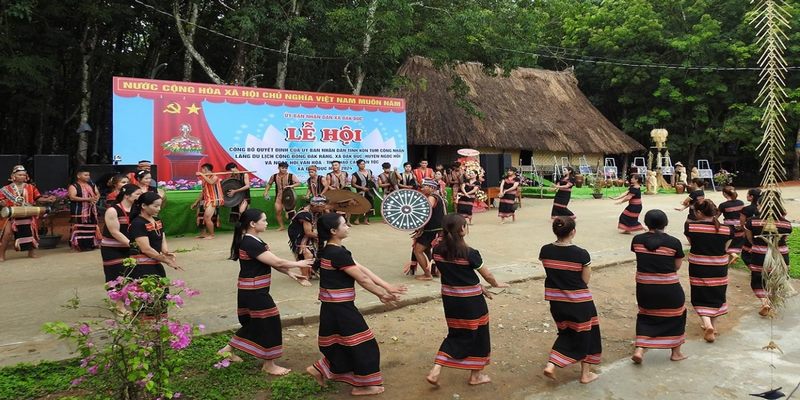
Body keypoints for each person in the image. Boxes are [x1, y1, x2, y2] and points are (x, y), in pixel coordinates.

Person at [305, 213, 406, 396]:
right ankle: (365, 386)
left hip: (332, 308)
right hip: (341, 309)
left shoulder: (332, 250)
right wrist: (382, 295)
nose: (348, 227)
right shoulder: (338, 253)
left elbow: (362, 270)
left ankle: (320, 368)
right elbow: (363, 279)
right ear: (334, 231)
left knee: (343, 344)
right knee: (365, 345)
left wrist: (387, 286)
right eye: (344, 224)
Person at [216, 208, 312, 375]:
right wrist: (300, 264)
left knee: (254, 323)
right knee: (270, 323)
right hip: (254, 291)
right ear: (253, 224)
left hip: (251, 290)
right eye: (264, 220)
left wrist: (291, 273)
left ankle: (226, 350)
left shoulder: (252, 240)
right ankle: (269, 364)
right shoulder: (250, 242)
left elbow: (270, 262)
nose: (267, 223)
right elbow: (277, 261)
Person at [425, 214, 508, 387]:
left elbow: (455, 274)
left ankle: (436, 370)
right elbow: (487, 274)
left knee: (455, 333)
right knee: (479, 335)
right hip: (472, 302)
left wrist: (478, 286)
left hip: (450, 300)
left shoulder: (437, 250)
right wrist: (495, 283)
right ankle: (475, 375)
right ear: (462, 229)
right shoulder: (470, 253)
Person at [540, 217, 601, 384]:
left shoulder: (545, 250)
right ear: (573, 232)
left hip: (557, 303)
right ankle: (585, 374)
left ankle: (552, 365)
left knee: (566, 332)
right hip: (580, 303)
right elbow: (585, 280)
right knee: (588, 334)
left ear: (555, 231)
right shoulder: (581, 254)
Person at [630, 210, 688, 364]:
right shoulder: (674, 242)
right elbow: (676, 266)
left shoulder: (637, 240)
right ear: (665, 223)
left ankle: (640, 349)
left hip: (644, 288)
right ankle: (676, 353)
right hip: (669, 288)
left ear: (646, 223)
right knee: (677, 314)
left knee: (645, 315)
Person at [684, 199, 733, 343]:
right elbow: (725, 249)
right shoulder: (727, 229)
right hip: (719, 267)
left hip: (699, 265)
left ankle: (707, 324)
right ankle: (714, 326)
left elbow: (692, 243)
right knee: (717, 293)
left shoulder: (690, 226)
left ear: (699, 212)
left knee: (700, 293)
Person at [744, 194, 792, 317]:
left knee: (757, 282)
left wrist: (759, 244)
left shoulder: (752, 222)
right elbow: (783, 239)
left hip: (760, 255)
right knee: (777, 280)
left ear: (761, 206)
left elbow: (750, 239)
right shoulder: (786, 224)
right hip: (780, 257)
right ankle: (770, 301)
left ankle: (765, 301)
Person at [0, 165, 55, 261]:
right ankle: (1, 255)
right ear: (13, 176)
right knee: (7, 234)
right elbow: (1, 200)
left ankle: (31, 252)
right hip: (11, 214)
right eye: (20, 175)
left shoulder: (31, 187)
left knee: (32, 232)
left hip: (27, 212)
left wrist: (47, 199)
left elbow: (38, 198)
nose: (22, 177)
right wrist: (2, 203)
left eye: (24, 175)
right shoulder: (5, 189)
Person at [129, 192, 182, 280]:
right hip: (142, 265)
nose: (159, 209)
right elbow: (146, 249)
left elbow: (162, 238)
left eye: (160, 206)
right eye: (155, 206)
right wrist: (166, 260)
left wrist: (165, 252)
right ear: (144, 206)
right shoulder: (138, 223)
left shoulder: (157, 220)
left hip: (155, 261)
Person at [101, 184, 142, 286]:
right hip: (113, 248)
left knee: (134, 275)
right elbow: (114, 232)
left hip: (131, 247)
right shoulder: (113, 210)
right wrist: (132, 244)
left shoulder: (138, 210)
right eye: (137, 194)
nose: (140, 197)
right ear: (126, 196)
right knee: (116, 277)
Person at [406, 179, 447, 280]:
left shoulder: (432, 197)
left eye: (424, 186)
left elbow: (424, 211)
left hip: (432, 230)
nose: (422, 188)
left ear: (431, 188)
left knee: (418, 250)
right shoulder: (438, 197)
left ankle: (427, 274)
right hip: (435, 229)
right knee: (428, 250)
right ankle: (435, 271)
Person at [288, 196, 329, 279]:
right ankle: (304, 276)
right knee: (308, 254)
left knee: (317, 251)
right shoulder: (305, 214)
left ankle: (311, 270)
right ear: (315, 206)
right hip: (298, 235)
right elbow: (308, 232)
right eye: (322, 207)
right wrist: (325, 236)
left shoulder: (313, 211)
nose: (324, 208)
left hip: (305, 234)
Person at [68, 168, 101, 251]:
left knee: (91, 227)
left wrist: (96, 198)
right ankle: (79, 245)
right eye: (85, 175)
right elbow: (72, 197)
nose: (88, 177)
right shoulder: (74, 186)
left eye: (89, 175)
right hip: (79, 210)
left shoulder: (92, 185)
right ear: (78, 176)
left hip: (91, 211)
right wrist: (88, 199)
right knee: (80, 228)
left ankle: (91, 244)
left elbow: (97, 193)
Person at [265, 162, 300, 231]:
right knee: (278, 211)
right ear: (279, 168)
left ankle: (293, 226)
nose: (284, 169)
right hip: (279, 196)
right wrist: (266, 192)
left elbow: (298, 183)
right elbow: (269, 184)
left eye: (286, 168)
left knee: (291, 212)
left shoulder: (291, 176)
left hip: (289, 197)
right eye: (282, 168)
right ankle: (282, 226)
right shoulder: (274, 176)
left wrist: (290, 186)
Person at [194, 163, 224, 239]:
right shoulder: (204, 179)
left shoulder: (215, 177)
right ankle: (203, 234)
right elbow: (203, 192)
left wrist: (201, 174)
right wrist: (196, 202)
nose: (201, 171)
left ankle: (212, 235)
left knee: (207, 217)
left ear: (206, 169)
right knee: (203, 217)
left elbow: (211, 182)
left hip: (214, 199)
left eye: (202, 170)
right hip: (207, 200)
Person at [740, 188, 761, 278]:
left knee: (745, 254)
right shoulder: (765, 208)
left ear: (751, 197)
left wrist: (744, 231)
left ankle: (755, 270)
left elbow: (742, 223)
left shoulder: (746, 209)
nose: (747, 196)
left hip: (750, 234)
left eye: (748, 194)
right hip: (762, 234)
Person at [719, 186, 745, 258]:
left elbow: (716, 216)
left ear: (724, 194)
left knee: (727, 244)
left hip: (729, 227)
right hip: (740, 226)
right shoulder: (741, 202)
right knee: (738, 243)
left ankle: (732, 255)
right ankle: (734, 256)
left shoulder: (723, 205)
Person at [351, 159, 375, 225]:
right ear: (358, 165)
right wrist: (362, 188)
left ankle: (366, 220)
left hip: (370, 192)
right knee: (361, 206)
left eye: (363, 164)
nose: (363, 165)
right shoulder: (355, 174)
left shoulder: (369, 171)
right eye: (361, 164)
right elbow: (353, 184)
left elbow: (371, 180)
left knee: (370, 206)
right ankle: (357, 219)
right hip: (361, 192)